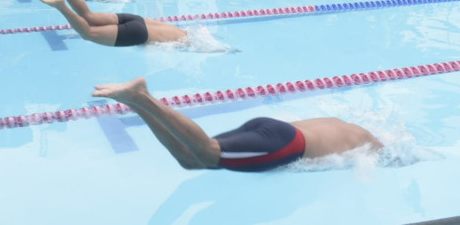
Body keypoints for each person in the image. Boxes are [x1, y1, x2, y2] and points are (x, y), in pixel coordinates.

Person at [91, 77, 382, 171]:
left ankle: (137, 104)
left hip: (269, 127)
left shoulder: (341, 124)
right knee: (206, 153)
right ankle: (144, 97)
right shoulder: (370, 147)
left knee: (190, 159)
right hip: (285, 145)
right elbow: (365, 173)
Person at [36, 0, 184, 41]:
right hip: (140, 33)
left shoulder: (182, 32)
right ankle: (62, 7)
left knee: (89, 16)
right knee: (89, 34)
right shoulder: (189, 42)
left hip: (138, 20)